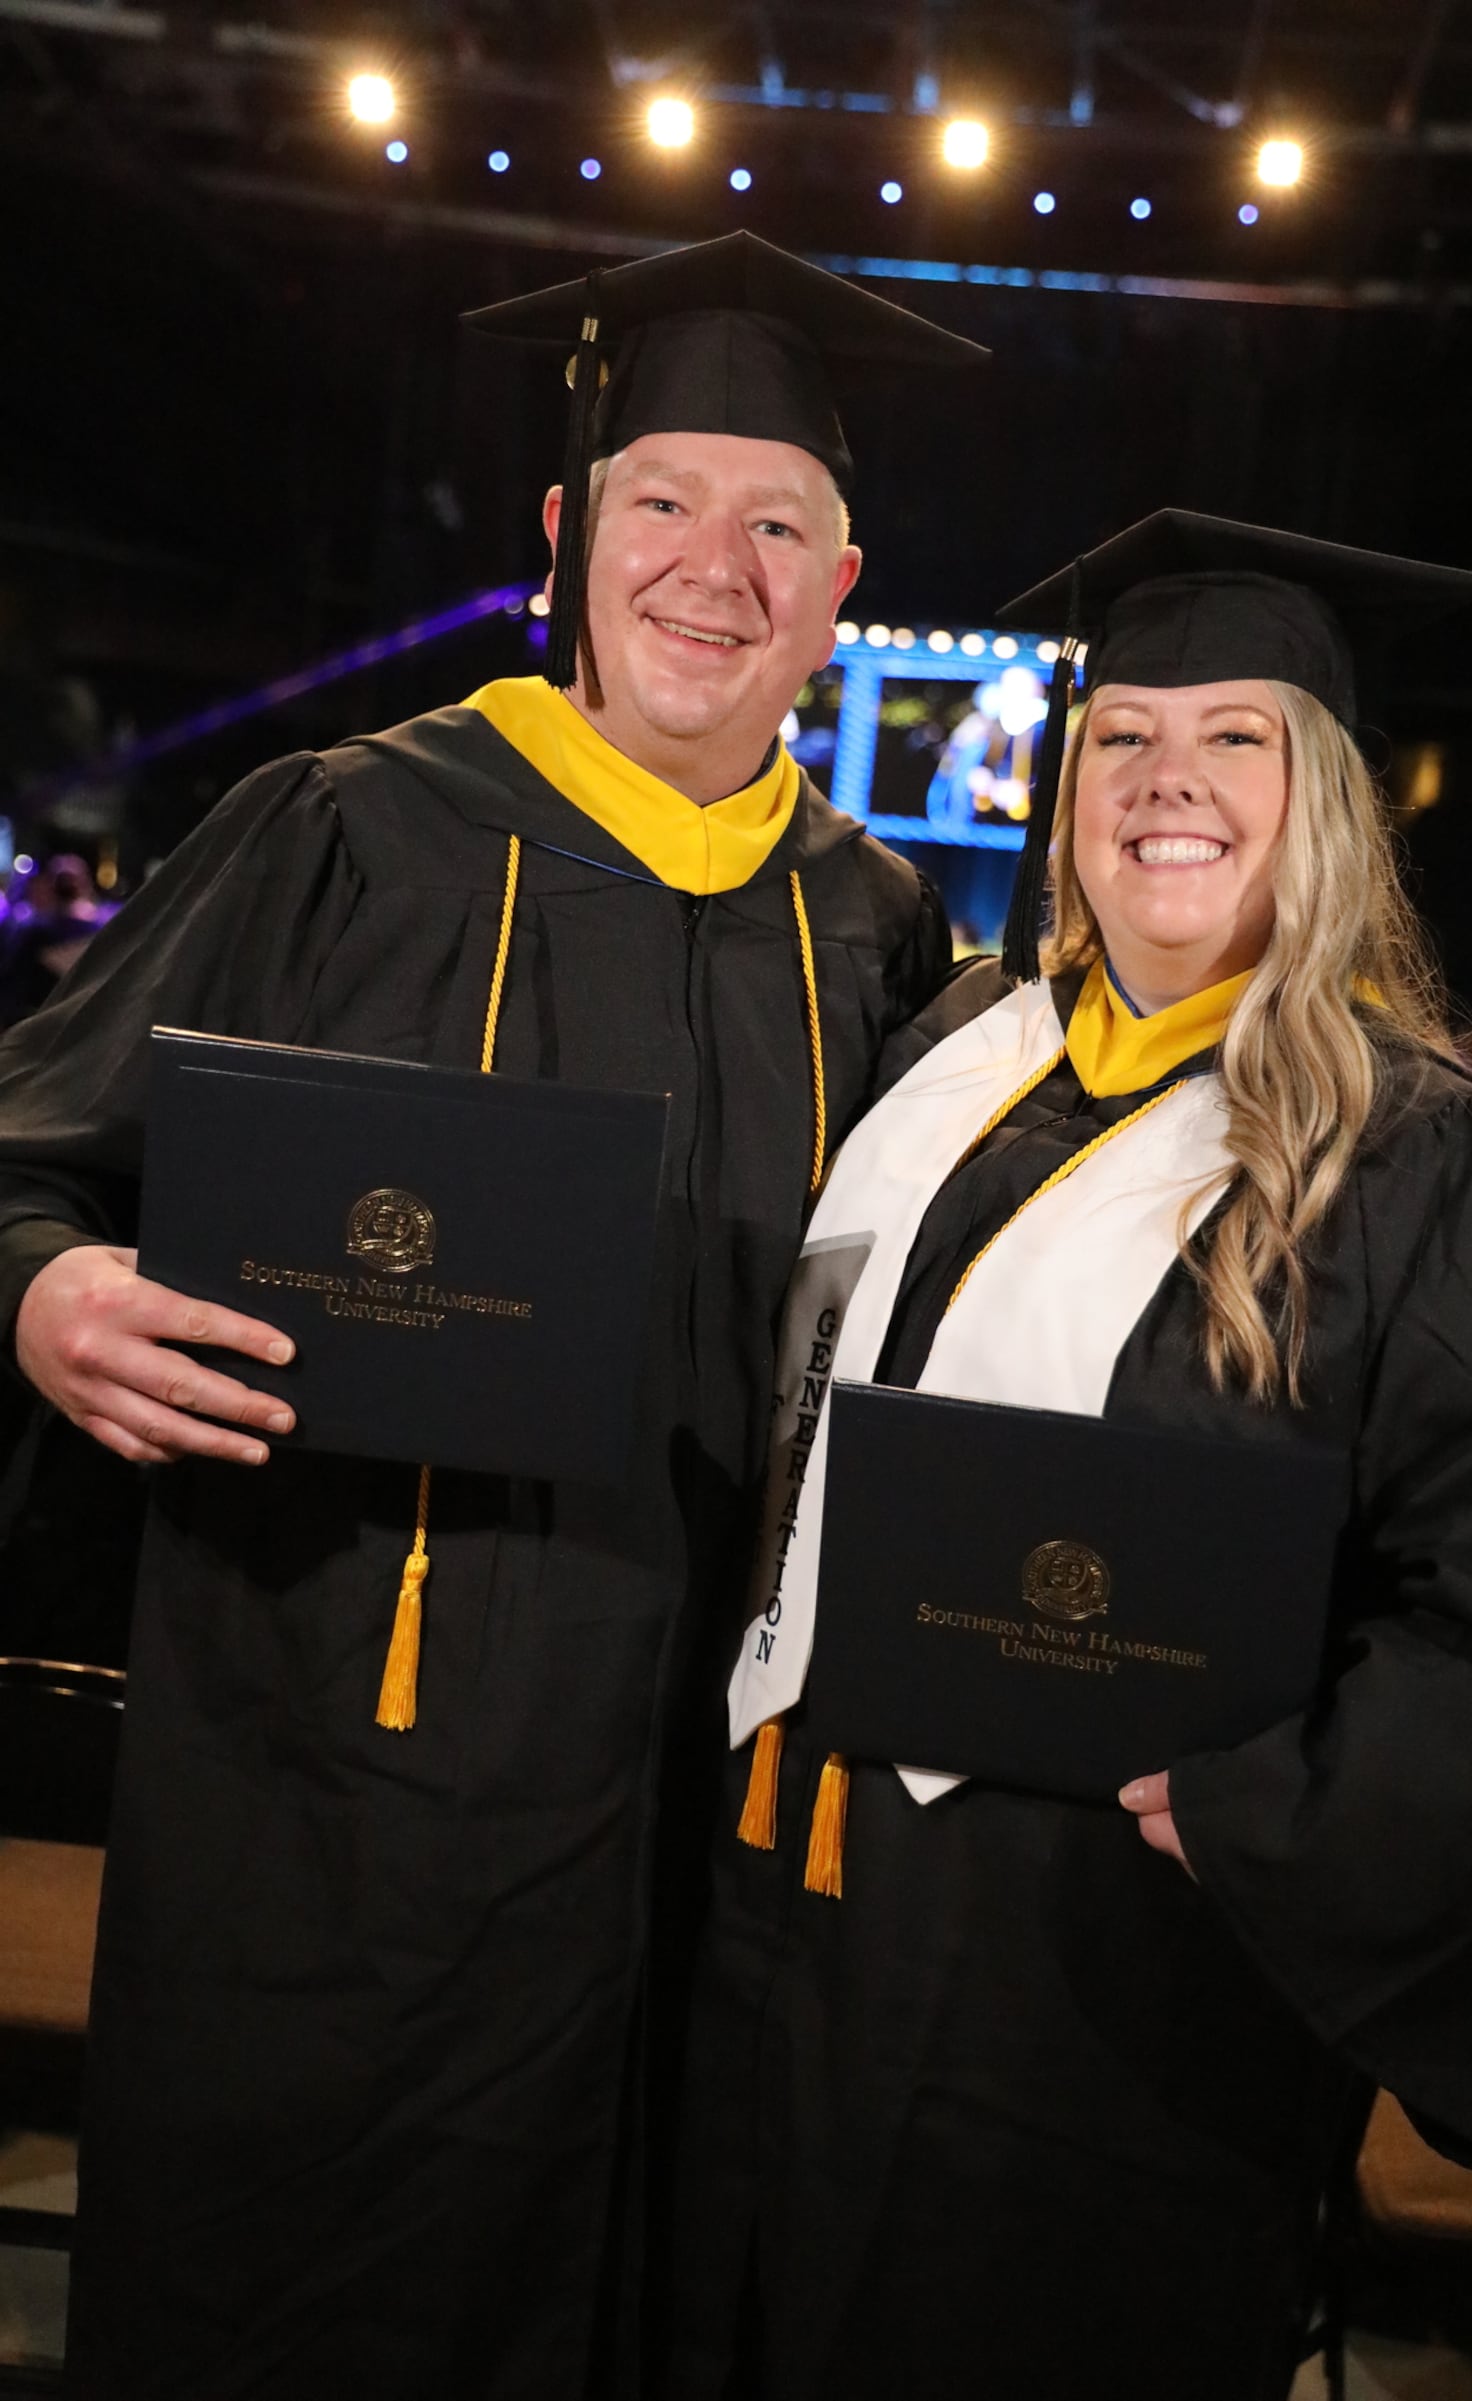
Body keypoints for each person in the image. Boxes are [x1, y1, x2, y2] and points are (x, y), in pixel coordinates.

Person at [0, 234, 982, 2400]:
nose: (711, 567)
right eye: (659, 503)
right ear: (565, 531)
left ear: (841, 586)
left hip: (704, 1829)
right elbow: (27, 1150)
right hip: (340, 1783)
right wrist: (47, 1288)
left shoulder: (879, 922)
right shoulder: (345, 830)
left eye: (774, 526)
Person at [667, 511, 1472, 2400]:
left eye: (1236, 736)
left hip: (1097, 2003)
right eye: (1123, 735)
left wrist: (1280, 1807)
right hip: (770, 1935)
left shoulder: (1417, 1156)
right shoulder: (947, 1061)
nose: (1168, 778)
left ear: (1323, 800)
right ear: (1066, 788)